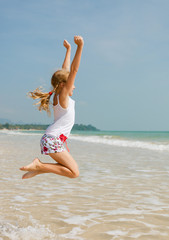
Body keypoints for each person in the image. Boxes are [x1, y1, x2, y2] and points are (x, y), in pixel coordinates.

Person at [20, 35, 84, 179]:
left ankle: (40, 168)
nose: (74, 85)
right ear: (63, 85)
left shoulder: (58, 94)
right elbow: (73, 70)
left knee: (73, 170)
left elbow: (66, 70)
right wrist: (80, 47)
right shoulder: (63, 96)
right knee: (74, 173)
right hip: (52, 139)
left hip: (50, 139)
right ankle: (39, 166)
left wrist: (68, 50)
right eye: (70, 83)